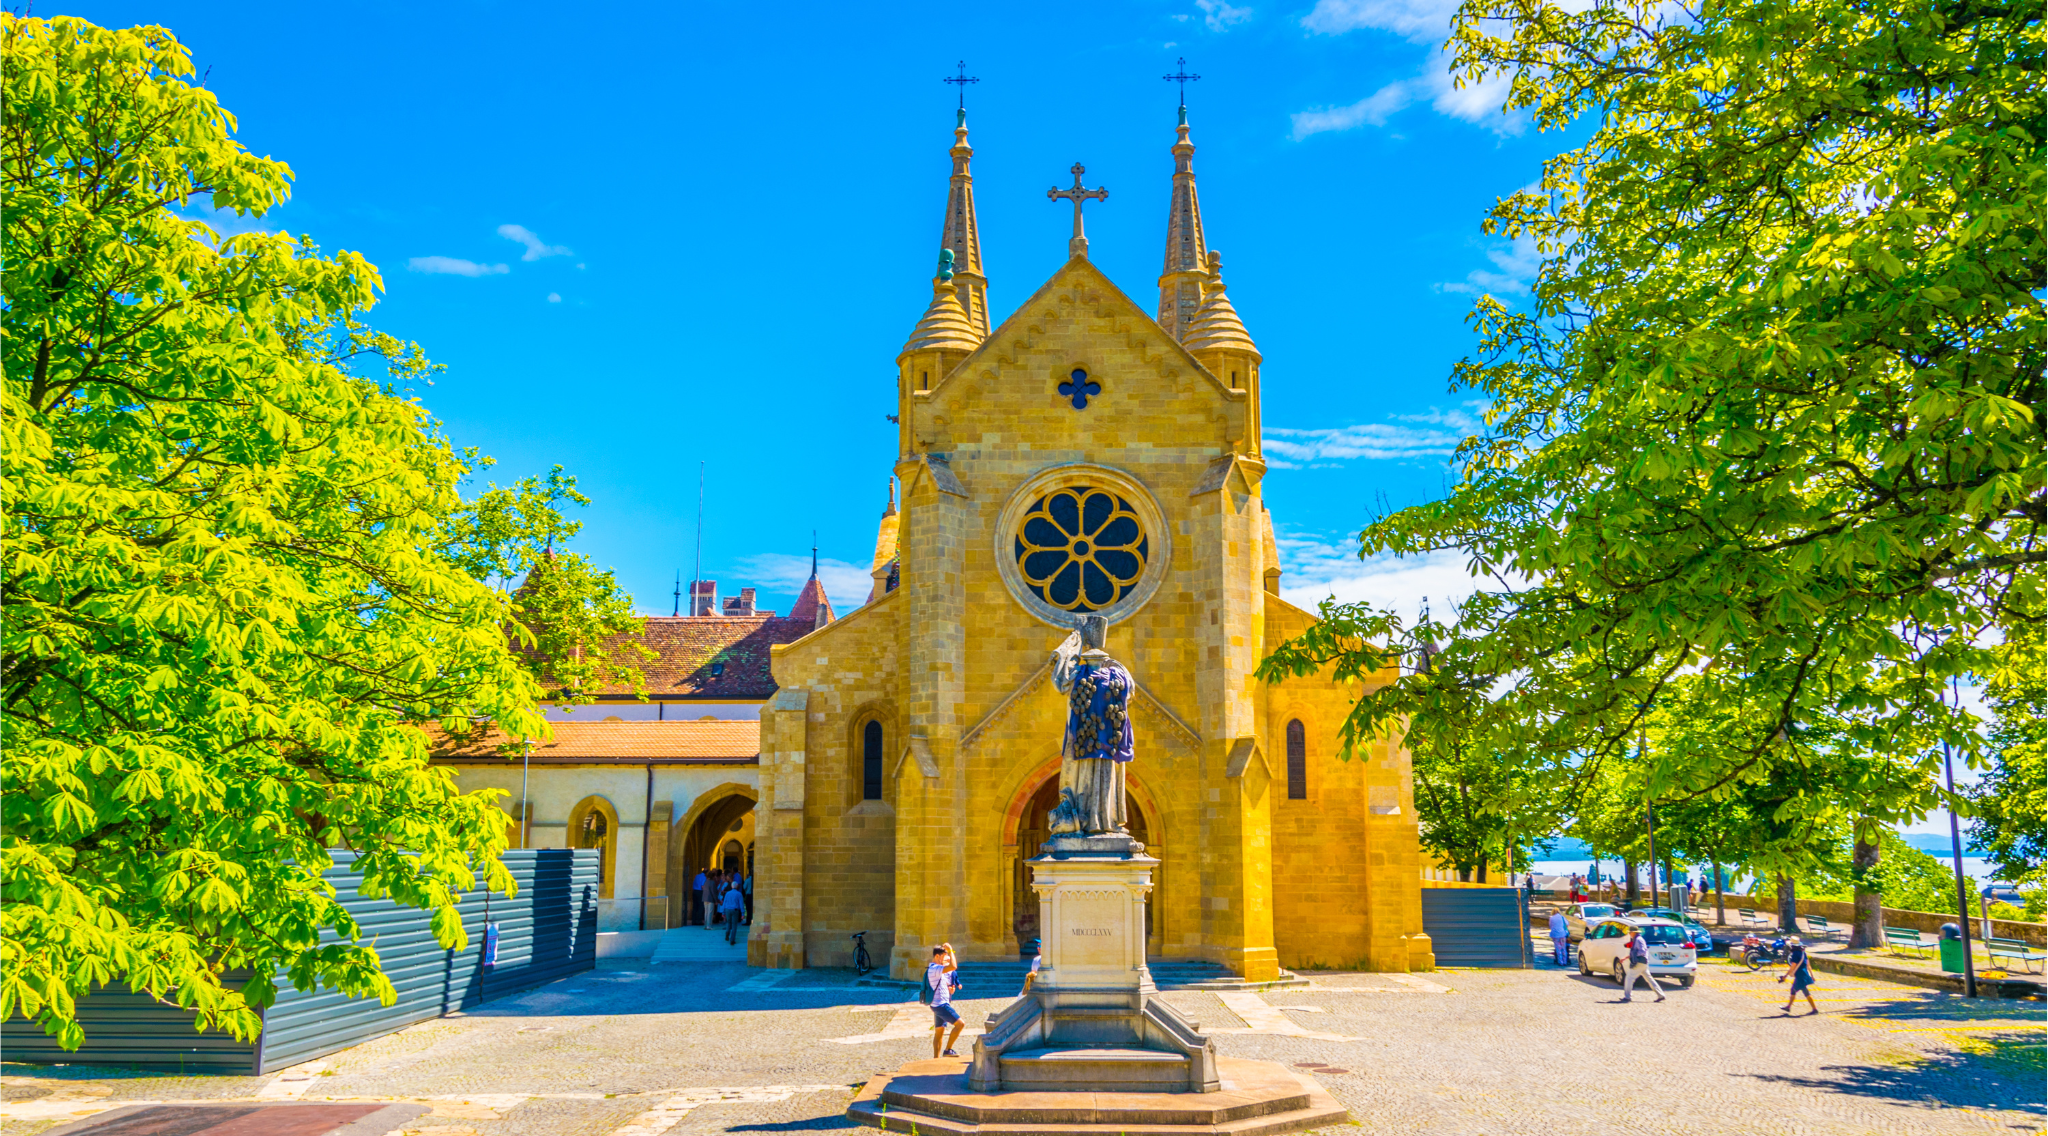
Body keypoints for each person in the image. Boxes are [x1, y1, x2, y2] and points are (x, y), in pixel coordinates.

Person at [927, 943, 964, 1058]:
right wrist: (951, 950)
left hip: (937, 1004)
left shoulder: (935, 969)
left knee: (939, 1032)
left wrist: (950, 990)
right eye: (944, 956)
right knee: (960, 1024)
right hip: (941, 1005)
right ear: (937, 956)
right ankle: (948, 1050)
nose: (945, 959)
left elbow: (942, 984)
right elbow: (953, 966)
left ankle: (936, 1059)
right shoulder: (935, 968)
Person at [1619, 926, 1667, 1003]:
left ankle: (1627, 997)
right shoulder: (1638, 939)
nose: (1629, 934)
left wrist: (1636, 958)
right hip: (1643, 962)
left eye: (1630, 932)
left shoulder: (1638, 940)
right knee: (1649, 979)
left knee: (1629, 978)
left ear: (1633, 932)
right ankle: (1660, 995)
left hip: (1639, 962)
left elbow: (1642, 951)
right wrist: (1626, 957)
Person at [1778, 935, 1818, 1015]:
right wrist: (1812, 975)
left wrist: (1785, 976)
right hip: (1804, 974)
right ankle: (1789, 1007)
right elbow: (1808, 965)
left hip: (1800, 975)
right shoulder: (1803, 952)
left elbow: (1793, 966)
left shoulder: (1795, 954)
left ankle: (1814, 1009)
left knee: (1801, 991)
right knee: (1799, 990)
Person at [720, 877, 746, 944]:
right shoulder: (739, 894)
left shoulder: (727, 893)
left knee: (728, 922)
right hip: (735, 910)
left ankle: (727, 932)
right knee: (734, 925)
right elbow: (741, 904)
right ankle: (732, 939)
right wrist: (743, 913)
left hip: (727, 910)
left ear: (731, 886)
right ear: (737, 887)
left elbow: (725, 902)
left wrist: (723, 912)